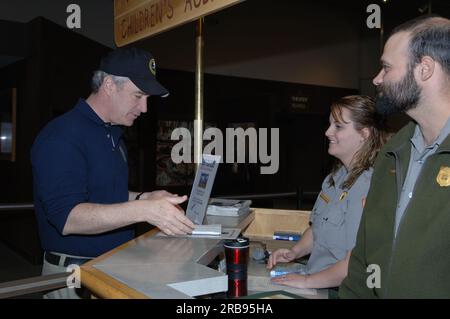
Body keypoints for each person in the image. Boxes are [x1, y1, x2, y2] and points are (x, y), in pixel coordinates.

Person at [31, 47, 195, 298]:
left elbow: (105, 194)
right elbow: (68, 218)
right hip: (74, 275)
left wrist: (144, 198)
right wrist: (145, 211)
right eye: (138, 95)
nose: (145, 108)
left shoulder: (113, 134)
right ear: (109, 85)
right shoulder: (62, 136)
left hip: (110, 265)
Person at [339, 16, 450, 298]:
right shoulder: (393, 153)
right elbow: (364, 259)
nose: (377, 78)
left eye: (387, 68)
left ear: (424, 69)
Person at [267, 95, 389, 290]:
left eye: (338, 126)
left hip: (341, 289)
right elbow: (318, 229)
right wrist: (295, 252)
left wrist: (306, 282)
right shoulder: (337, 176)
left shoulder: (369, 186)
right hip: (317, 281)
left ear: (364, 134)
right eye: (330, 124)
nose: (328, 132)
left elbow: (354, 263)